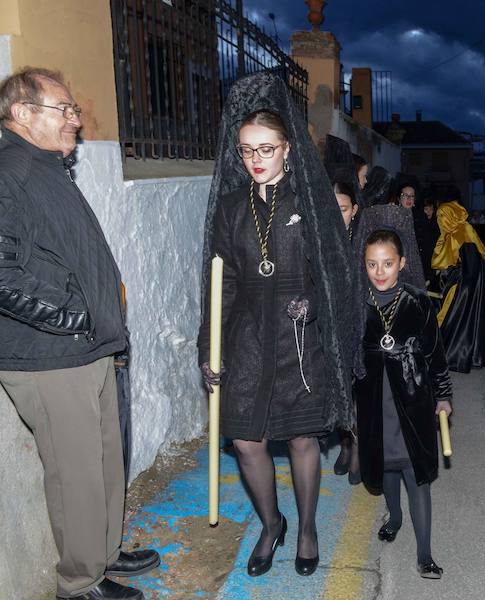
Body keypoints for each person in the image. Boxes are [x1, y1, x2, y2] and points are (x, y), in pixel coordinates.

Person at [0, 67, 159, 600]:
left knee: (103, 459)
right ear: (22, 114)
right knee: (74, 472)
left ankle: (107, 550)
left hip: (88, 346)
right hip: (50, 354)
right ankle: (81, 580)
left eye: (73, 110)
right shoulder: (9, 171)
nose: (76, 119)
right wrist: (73, 317)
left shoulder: (46, 167)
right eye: (63, 110)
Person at [198, 72, 355, 579]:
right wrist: (211, 346)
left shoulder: (310, 203)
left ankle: (307, 529)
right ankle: (272, 523)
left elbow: (334, 271)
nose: (256, 160)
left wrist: (319, 313)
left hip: (300, 334)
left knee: (303, 440)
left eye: (267, 148)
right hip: (247, 332)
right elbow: (219, 283)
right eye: (246, 151)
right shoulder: (229, 208)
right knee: (246, 440)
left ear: (287, 147)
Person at [352, 227, 451, 580]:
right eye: (372, 264)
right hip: (374, 403)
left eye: (388, 264)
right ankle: (394, 517)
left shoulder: (418, 301)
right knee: (386, 467)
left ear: (402, 263)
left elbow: (436, 356)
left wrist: (443, 396)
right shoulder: (356, 303)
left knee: (416, 475)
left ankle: (425, 554)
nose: (380, 272)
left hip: (412, 403)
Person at [432, 201, 485, 372]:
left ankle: (459, 355)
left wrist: (457, 280)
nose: (440, 219)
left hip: (462, 285)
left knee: (459, 319)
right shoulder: (449, 232)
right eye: (439, 216)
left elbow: (471, 266)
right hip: (453, 282)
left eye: (443, 216)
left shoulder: (463, 231)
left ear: (451, 216)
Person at [332, 180, 361, 484]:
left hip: (357, 327)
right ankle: (344, 445)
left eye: (342, 209)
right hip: (329, 329)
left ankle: (357, 450)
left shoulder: (362, 241)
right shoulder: (319, 238)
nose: (337, 214)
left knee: (357, 395)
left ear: (354, 210)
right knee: (339, 395)